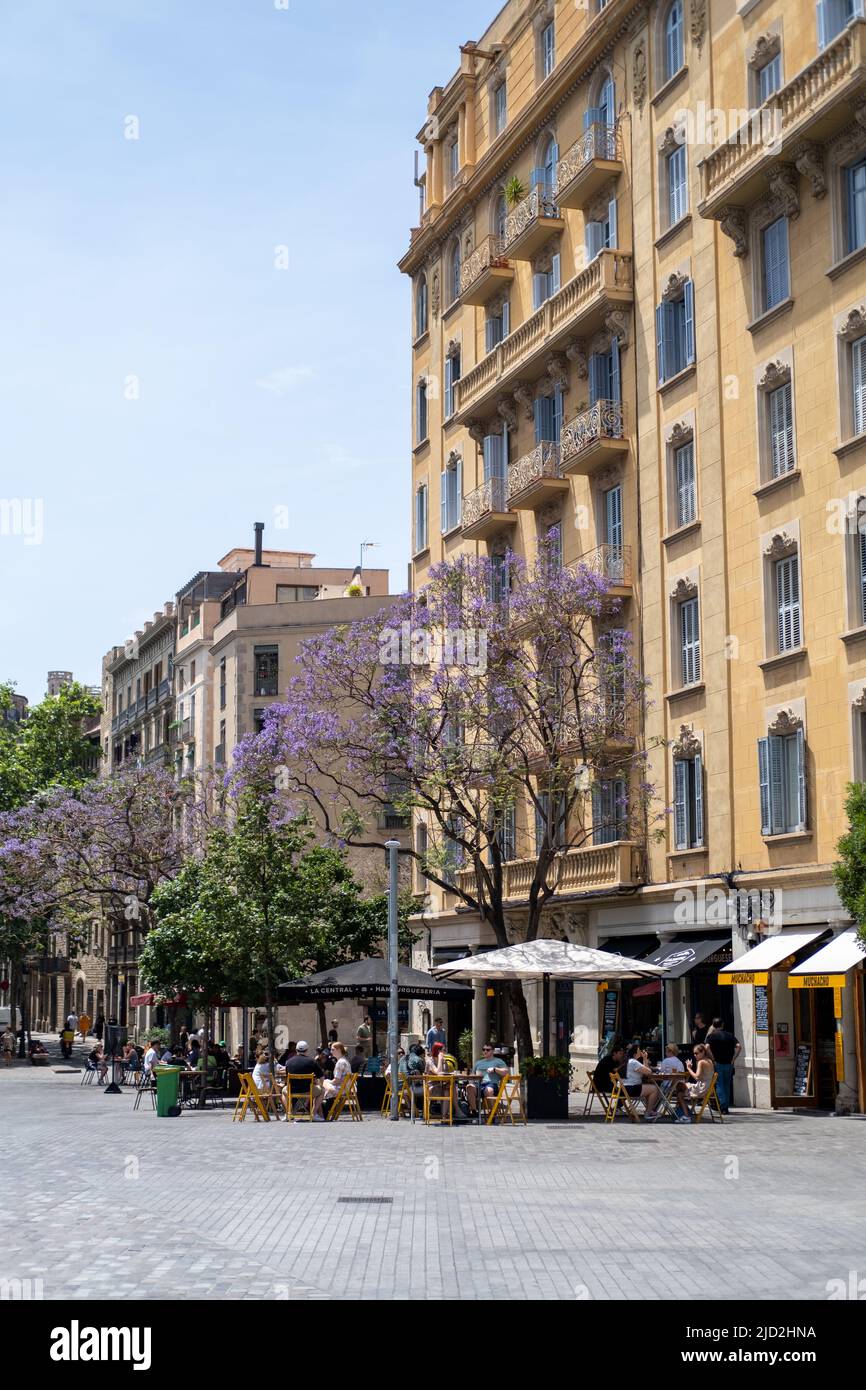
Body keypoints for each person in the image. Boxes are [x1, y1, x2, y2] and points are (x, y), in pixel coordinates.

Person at [282, 1041, 325, 1120]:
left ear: (296, 1050)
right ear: (307, 1050)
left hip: (292, 1091)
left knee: (283, 1090)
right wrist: (320, 1086)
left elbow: (287, 1078)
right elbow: (321, 1077)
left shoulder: (289, 1062)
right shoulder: (312, 1061)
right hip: (308, 1091)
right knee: (322, 1091)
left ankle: (288, 1113)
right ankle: (313, 1114)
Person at [705, 1018, 740, 1114]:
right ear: (722, 1025)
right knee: (726, 1084)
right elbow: (738, 1046)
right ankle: (726, 1106)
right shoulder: (729, 1035)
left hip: (718, 1063)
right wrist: (733, 1058)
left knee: (719, 1084)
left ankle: (723, 1106)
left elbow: (706, 1047)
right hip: (729, 1063)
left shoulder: (711, 1036)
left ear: (713, 1025)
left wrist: (712, 1058)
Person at [674, 1042, 714, 1123]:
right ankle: (684, 1112)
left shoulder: (701, 1062)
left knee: (679, 1087)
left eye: (696, 1053)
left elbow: (696, 1077)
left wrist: (688, 1068)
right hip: (709, 1088)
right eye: (694, 1054)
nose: (695, 1055)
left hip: (702, 1088)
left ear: (703, 1052)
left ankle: (685, 1114)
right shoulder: (709, 1060)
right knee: (680, 1090)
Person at [466, 1045, 509, 1116]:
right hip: (479, 1084)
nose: (485, 1051)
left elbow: (506, 1072)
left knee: (488, 1090)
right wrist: (473, 1078)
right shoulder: (478, 1062)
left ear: (493, 1051)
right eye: (483, 1049)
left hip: (492, 1084)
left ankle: (492, 1112)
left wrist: (495, 1069)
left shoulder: (498, 1061)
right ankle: (474, 1111)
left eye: (488, 1050)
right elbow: (472, 1075)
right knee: (469, 1087)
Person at [623, 1043, 661, 1120]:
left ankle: (649, 1110)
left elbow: (646, 1071)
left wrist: (644, 1059)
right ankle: (648, 1113)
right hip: (631, 1088)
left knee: (648, 1088)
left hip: (625, 1088)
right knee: (654, 1089)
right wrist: (645, 1059)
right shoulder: (633, 1062)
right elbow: (649, 1072)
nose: (640, 1051)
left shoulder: (628, 1061)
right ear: (635, 1053)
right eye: (639, 1050)